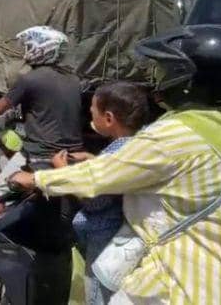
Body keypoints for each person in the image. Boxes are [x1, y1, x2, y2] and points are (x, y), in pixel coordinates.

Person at [10, 24, 221, 304]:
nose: (161, 79)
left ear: (191, 80)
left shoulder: (176, 135)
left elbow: (99, 178)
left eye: (169, 71)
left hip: (192, 284)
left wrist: (36, 179)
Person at [0, 25, 82, 255]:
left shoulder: (31, 79)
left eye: (28, 46)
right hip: (73, 154)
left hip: (38, 155)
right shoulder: (74, 80)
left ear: (40, 49)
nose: (25, 50)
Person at [53, 81, 151, 305]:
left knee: (98, 295)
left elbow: (95, 201)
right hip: (130, 235)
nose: (90, 117)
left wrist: (64, 171)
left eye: (92, 113)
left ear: (108, 118)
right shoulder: (139, 143)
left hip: (106, 238)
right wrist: (92, 159)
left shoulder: (116, 153)